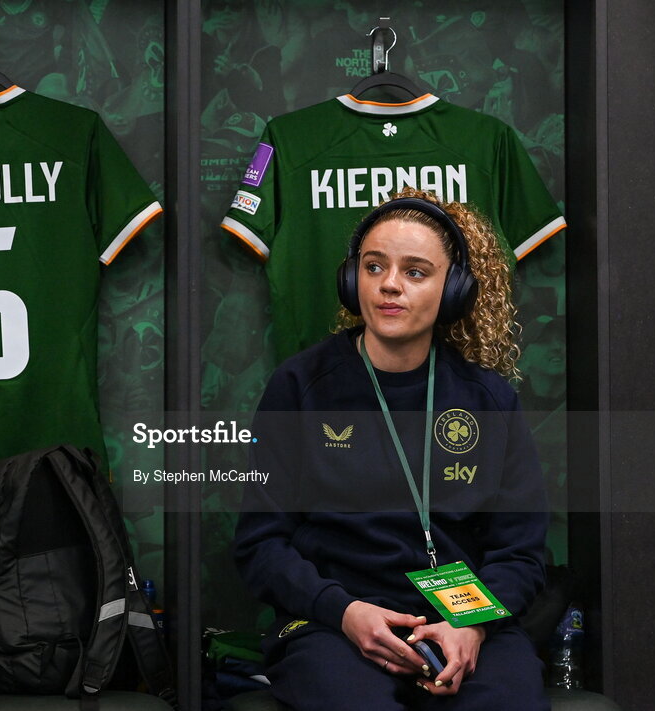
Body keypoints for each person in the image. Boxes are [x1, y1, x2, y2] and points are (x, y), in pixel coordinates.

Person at [234, 188, 549, 709]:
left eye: (416, 272)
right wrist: (343, 611)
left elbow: (521, 553)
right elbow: (261, 545)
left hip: (463, 622)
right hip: (332, 622)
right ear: (350, 277)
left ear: (453, 291)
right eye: (374, 266)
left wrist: (470, 626)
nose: (389, 286)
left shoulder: (488, 400)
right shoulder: (299, 386)